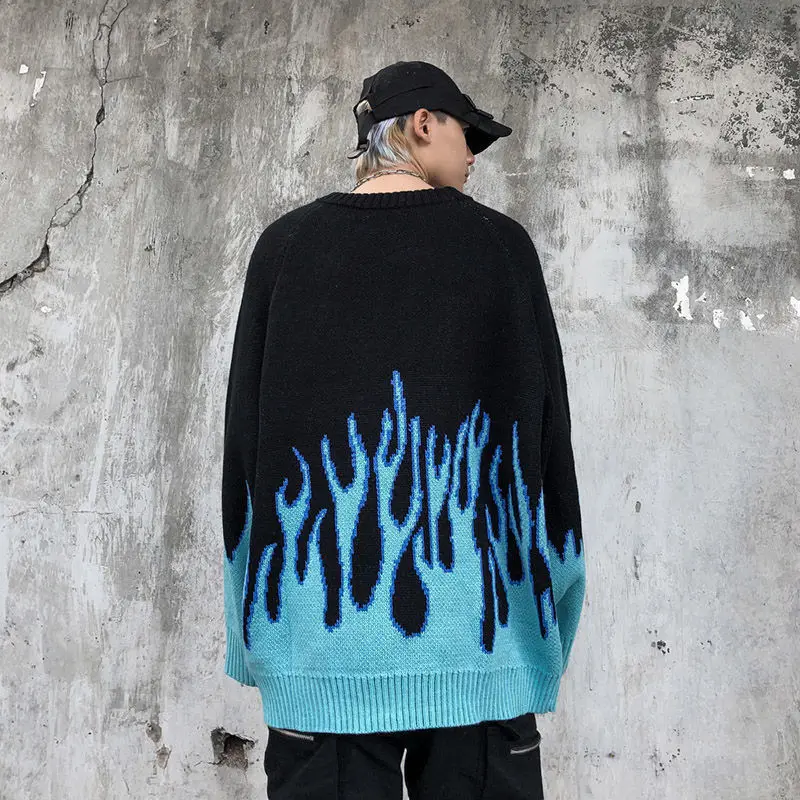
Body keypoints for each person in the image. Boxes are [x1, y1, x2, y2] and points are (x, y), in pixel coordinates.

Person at [221, 60, 586, 799]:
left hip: (320, 651)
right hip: (484, 647)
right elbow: (548, 449)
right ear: (423, 124)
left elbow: (245, 456)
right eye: (467, 134)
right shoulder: (501, 246)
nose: (473, 154)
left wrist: (258, 639)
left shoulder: (284, 247)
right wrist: (549, 624)